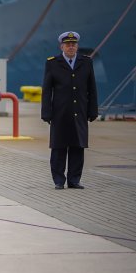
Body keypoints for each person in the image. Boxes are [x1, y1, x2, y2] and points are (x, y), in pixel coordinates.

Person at [41, 31, 99, 189]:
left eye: (73, 44)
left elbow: (92, 88)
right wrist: (46, 112)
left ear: (77, 46)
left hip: (79, 111)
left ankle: (74, 180)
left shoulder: (86, 62)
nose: (71, 47)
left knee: (77, 147)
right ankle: (59, 181)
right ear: (62, 46)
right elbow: (47, 90)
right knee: (58, 147)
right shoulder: (53, 63)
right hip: (59, 112)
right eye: (68, 44)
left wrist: (93, 110)